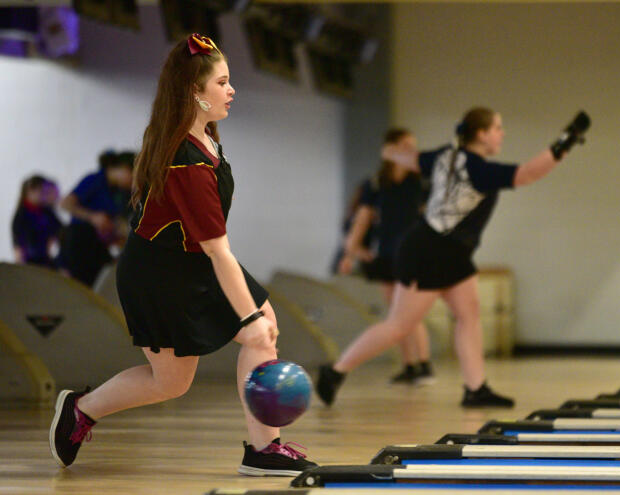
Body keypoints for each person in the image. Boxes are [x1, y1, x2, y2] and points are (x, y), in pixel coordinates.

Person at [49, 33, 317, 477]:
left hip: (191, 260)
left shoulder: (207, 137)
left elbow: (212, 248)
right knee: (172, 381)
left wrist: (253, 321)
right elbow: (218, 248)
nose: (232, 90)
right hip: (160, 274)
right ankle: (82, 409)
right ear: (196, 92)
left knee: (263, 330)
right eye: (223, 82)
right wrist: (246, 319)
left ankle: (264, 449)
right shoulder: (185, 162)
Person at [316, 107, 589, 408]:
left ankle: (476, 389)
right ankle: (334, 371)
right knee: (399, 326)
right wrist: (564, 143)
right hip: (429, 251)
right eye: (498, 128)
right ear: (482, 134)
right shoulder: (477, 169)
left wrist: (394, 150)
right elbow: (526, 174)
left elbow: (402, 156)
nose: (502, 133)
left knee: (469, 315)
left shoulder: (445, 156)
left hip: (451, 252)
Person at [337, 128, 435, 386]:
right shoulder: (376, 183)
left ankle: (424, 365)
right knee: (395, 315)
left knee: (410, 314)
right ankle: (409, 365)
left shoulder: (422, 182)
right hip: (386, 255)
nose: (409, 151)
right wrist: (351, 251)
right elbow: (363, 218)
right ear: (389, 149)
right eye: (404, 145)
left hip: (414, 254)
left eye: (412, 146)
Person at [58, 149, 133, 286]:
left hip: (97, 244)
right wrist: (92, 217)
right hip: (80, 241)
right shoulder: (95, 180)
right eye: (132, 174)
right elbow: (65, 203)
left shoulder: (118, 192)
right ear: (122, 168)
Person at [12, 175, 62, 268]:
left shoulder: (46, 212)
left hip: (47, 262)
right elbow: (19, 249)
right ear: (30, 191)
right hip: (32, 265)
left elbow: (60, 231)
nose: (44, 195)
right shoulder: (21, 217)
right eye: (42, 191)